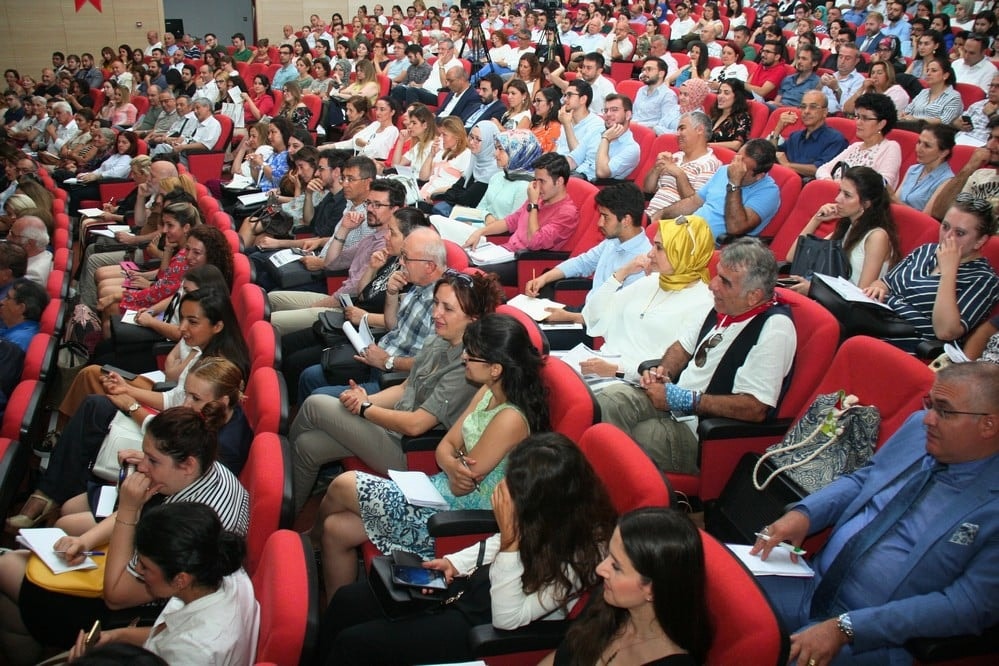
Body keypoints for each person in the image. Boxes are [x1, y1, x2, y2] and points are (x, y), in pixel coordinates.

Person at [752, 362, 999, 665]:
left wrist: (849, 628)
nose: (928, 419)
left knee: (788, 658)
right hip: (815, 583)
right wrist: (805, 514)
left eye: (944, 412)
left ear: (988, 425)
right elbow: (865, 479)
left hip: (877, 636)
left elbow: (967, 606)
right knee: (711, 585)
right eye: (930, 405)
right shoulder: (918, 429)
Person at [318, 432, 615, 665]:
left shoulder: (584, 557)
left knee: (354, 644)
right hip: (474, 586)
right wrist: (453, 563)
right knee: (348, 601)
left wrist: (510, 541)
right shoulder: (552, 512)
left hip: (487, 623)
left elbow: (507, 618)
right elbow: (494, 543)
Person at [316, 312, 548, 597]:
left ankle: (308, 544)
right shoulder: (487, 391)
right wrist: (454, 458)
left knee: (344, 483)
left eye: (472, 355)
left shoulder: (510, 418)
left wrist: (453, 457)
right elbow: (444, 448)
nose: (464, 357)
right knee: (335, 530)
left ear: (496, 369)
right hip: (439, 491)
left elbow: (462, 482)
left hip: (457, 517)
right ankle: (334, 607)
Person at [0, 405, 250, 663]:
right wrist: (85, 540)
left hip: (137, 609)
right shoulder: (211, 472)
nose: (143, 467)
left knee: (6, 567)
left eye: (153, 460)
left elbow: (116, 596)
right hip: (166, 596)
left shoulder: (185, 524)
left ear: (187, 464)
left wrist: (130, 507)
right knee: (14, 598)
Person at [290, 268, 504, 509]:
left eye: (448, 309)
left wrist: (365, 408)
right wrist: (365, 398)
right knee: (308, 446)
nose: (436, 313)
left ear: (473, 319)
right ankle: (288, 512)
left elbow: (416, 425)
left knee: (315, 404)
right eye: (436, 303)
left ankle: (277, 500)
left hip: (411, 450)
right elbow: (404, 388)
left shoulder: (468, 367)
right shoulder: (439, 339)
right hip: (392, 428)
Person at [598, 238, 796, 472]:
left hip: (702, 433)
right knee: (608, 401)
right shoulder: (723, 306)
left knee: (627, 439)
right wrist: (662, 372)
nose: (712, 285)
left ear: (753, 295)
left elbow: (755, 407)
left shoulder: (774, 329)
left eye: (724, 281)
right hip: (677, 404)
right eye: (717, 275)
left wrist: (685, 399)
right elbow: (681, 348)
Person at [64, 502, 258, 665]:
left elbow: (178, 642)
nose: (138, 569)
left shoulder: (191, 653)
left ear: (180, 579)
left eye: (146, 566)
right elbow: (170, 634)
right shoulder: (223, 571)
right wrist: (117, 637)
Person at [541, 508, 712, 666]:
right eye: (609, 554)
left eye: (616, 567)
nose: (600, 569)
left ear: (653, 590)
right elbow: (562, 656)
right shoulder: (605, 603)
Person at [574, 214, 717, 385]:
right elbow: (592, 316)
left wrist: (617, 370)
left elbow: (668, 369)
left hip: (634, 384)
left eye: (659, 247)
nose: (650, 254)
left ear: (683, 252)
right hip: (602, 366)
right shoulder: (652, 281)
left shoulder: (704, 302)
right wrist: (623, 272)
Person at [865, 194, 999, 352]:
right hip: (876, 319)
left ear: (980, 241)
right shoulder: (926, 250)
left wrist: (948, 272)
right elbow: (884, 283)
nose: (947, 237)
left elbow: (946, 332)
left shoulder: (984, 280)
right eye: (945, 227)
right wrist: (878, 288)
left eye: (960, 233)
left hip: (906, 342)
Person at [785, 165, 901, 294]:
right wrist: (816, 219)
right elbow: (792, 257)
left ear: (866, 204)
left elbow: (861, 294)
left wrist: (814, 289)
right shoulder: (847, 227)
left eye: (847, 195)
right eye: (840, 191)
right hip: (825, 297)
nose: (837, 199)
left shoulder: (877, 236)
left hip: (843, 304)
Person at [655, 139, 780, 240]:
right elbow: (695, 202)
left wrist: (734, 183)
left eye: (742, 168)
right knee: (653, 232)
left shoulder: (769, 192)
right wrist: (661, 215)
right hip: (688, 228)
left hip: (716, 245)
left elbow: (735, 228)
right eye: (736, 159)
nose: (734, 167)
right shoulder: (725, 170)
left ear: (759, 176)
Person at [816, 93, 903, 189]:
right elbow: (822, 169)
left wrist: (844, 186)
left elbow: (883, 185)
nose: (858, 122)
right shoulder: (855, 146)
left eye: (865, 118)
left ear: (881, 124)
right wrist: (830, 182)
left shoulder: (890, 147)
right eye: (857, 116)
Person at [769, 90, 850, 180]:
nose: (806, 111)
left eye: (813, 107)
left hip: (808, 184)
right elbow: (770, 155)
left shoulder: (835, 139)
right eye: (803, 107)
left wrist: (787, 165)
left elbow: (820, 169)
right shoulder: (795, 136)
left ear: (825, 112)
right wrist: (777, 130)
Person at [430, 121, 500, 216]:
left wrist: (455, 195)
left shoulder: (494, 170)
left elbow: (466, 199)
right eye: (471, 137)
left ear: (489, 142)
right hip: (460, 211)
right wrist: (456, 194)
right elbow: (455, 188)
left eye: (478, 139)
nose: (471, 142)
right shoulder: (475, 160)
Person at [897, 125, 956, 213]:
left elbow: (926, 216)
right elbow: (894, 202)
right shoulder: (913, 169)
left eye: (927, 146)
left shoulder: (947, 181)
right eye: (919, 142)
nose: (918, 149)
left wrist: (892, 199)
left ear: (943, 153)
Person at [899, 56, 963, 127]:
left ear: (945, 75)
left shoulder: (954, 96)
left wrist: (917, 120)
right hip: (911, 126)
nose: (928, 73)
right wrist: (903, 114)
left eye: (934, 71)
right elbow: (907, 110)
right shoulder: (923, 92)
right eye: (927, 70)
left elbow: (945, 121)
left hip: (934, 130)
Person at [843, 60, 910, 115]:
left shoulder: (898, 93)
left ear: (888, 75)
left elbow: (882, 115)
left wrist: (878, 90)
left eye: (879, 73)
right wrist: (862, 88)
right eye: (872, 73)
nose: (874, 76)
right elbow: (847, 109)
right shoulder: (869, 90)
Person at [0, 278, 49, 352]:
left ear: (21, 308)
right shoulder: (15, 328)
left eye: (8, 298)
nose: (2, 302)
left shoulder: (17, 341)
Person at [709, 80, 752, 151]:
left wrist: (707, 145)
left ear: (737, 97)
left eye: (726, 93)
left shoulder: (742, 117)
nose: (720, 96)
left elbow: (736, 145)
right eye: (719, 92)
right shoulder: (716, 114)